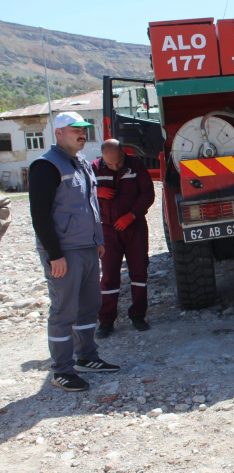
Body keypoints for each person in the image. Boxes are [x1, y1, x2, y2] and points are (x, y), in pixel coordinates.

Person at [29, 112, 120, 392]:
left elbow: (90, 205)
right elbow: (40, 215)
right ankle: (62, 370)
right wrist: (54, 254)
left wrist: (98, 239)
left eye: (83, 129)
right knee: (64, 311)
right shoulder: (45, 166)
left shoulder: (81, 163)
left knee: (88, 307)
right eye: (75, 129)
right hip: (64, 252)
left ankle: (87, 357)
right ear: (58, 133)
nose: (82, 134)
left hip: (87, 247)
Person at [92, 139, 155, 337]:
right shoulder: (93, 168)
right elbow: (81, 193)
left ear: (123, 154)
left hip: (134, 227)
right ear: (102, 158)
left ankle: (138, 315)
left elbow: (148, 194)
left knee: (139, 272)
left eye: (118, 162)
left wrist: (132, 215)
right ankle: (106, 321)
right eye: (110, 164)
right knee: (109, 276)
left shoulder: (135, 165)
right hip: (108, 230)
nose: (115, 166)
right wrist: (96, 191)